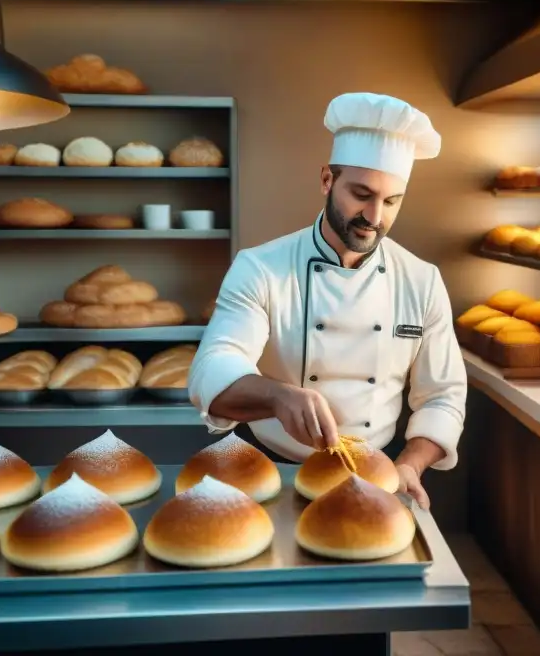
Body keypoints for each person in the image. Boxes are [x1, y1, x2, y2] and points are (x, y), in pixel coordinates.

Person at [188, 92, 467, 509]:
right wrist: (278, 396)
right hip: (268, 471)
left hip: (375, 474)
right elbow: (212, 370)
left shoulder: (422, 281)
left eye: (391, 201)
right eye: (361, 193)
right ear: (326, 180)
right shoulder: (261, 268)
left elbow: (443, 394)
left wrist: (409, 464)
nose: (374, 217)